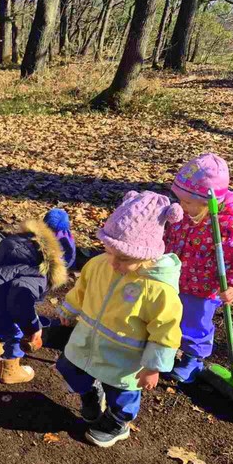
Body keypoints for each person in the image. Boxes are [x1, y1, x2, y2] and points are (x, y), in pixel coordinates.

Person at [56, 191, 184, 448]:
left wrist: (153, 366)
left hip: (125, 356)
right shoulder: (99, 264)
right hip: (87, 340)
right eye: (109, 251)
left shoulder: (158, 289)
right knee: (69, 367)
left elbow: (165, 330)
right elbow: (82, 289)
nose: (113, 262)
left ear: (146, 255)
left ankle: (117, 422)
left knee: (122, 392)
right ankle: (91, 392)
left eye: (124, 258)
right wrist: (69, 309)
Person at [164, 153, 233, 383]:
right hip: (174, 277)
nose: (181, 206)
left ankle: (193, 359)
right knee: (168, 315)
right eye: (180, 200)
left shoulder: (227, 223)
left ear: (208, 202)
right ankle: (166, 350)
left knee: (196, 323)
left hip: (204, 287)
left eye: (187, 202)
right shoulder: (185, 213)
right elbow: (169, 236)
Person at [0, 209, 72, 384]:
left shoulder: (15, 251)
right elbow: (20, 301)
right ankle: (10, 369)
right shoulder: (36, 271)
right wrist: (33, 329)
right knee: (20, 322)